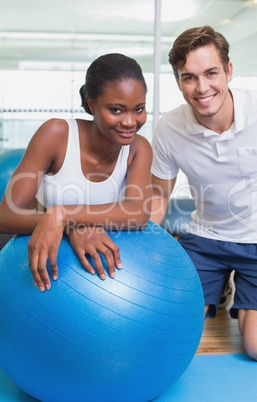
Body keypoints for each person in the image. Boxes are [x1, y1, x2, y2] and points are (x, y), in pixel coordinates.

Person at [150, 25, 257, 362]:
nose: (202, 88)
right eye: (189, 77)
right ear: (178, 82)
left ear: (228, 72)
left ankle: (237, 291)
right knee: (174, 332)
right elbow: (157, 198)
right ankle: (218, 286)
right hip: (205, 240)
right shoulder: (170, 128)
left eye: (211, 73)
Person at [0, 53, 152, 292]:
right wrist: (71, 225)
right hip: (21, 251)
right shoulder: (56, 134)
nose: (130, 122)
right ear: (92, 104)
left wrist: (62, 215)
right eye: (116, 110)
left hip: (88, 274)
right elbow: (6, 215)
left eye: (139, 109)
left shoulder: (138, 148)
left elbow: (138, 213)